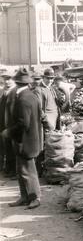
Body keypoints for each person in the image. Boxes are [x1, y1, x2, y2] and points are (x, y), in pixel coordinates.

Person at [2, 68, 44, 209]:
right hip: (28, 140)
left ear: (17, 83)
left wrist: (8, 132)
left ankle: (35, 197)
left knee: (28, 171)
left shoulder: (23, 99)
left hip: (25, 140)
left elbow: (23, 124)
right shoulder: (31, 95)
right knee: (21, 170)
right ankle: (25, 197)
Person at [0, 71, 16, 174]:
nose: (7, 81)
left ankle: (13, 169)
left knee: (13, 147)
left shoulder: (15, 92)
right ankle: (7, 168)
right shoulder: (2, 92)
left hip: (12, 124)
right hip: (2, 123)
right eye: (5, 79)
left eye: (9, 79)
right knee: (5, 146)